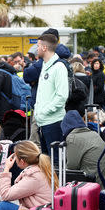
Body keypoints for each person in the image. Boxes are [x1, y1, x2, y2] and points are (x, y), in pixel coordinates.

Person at [33, 34, 69, 163]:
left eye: (37, 46)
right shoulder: (45, 65)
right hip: (43, 122)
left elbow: (62, 96)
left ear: (44, 47)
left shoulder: (59, 67)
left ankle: (58, 184)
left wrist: (44, 112)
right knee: (47, 162)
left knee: (56, 163)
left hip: (54, 122)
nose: (36, 49)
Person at [60, 110, 105, 185]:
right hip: (103, 181)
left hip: (90, 185)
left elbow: (71, 167)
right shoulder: (94, 134)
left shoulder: (73, 137)